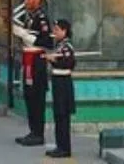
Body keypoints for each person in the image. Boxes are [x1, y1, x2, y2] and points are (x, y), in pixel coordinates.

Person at [13, 0, 53, 147]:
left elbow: (47, 42)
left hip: (37, 60)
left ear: (37, 0)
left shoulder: (42, 18)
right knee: (29, 96)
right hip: (28, 58)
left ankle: (38, 133)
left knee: (37, 97)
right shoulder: (30, 17)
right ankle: (32, 131)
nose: (26, 1)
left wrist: (26, 35)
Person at [45, 18, 76, 159]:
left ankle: (64, 148)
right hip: (57, 81)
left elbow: (69, 63)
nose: (55, 32)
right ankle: (60, 145)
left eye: (57, 30)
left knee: (63, 115)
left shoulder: (67, 47)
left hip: (63, 82)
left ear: (64, 31)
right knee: (58, 115)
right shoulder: (59, 45)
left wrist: (54, 60)